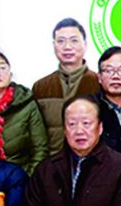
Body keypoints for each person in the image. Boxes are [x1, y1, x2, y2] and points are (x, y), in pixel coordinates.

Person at [31, 18, 100, 156]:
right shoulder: (41, 87)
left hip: (92, 160)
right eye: (61, 41)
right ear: (54, 45)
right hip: (52, 161)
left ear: (85, 44)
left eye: (74, 40)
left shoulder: (98, 83)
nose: (67, 46)